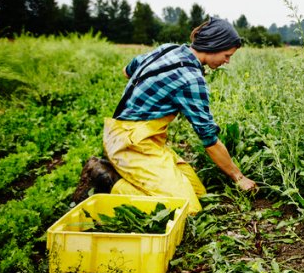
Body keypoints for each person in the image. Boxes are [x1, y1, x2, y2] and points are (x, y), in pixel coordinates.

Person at [73, 17, 257, 212]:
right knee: (187, 208)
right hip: (131, 144)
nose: (227, 61)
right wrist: (239, 177)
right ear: (214, 45)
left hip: (140, 138)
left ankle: (132, 177)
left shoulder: (168, 49)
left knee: (198, 193)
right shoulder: (192, 79)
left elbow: (127, 71)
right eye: (227, 55)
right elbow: (209, 139)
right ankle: (107, 181)